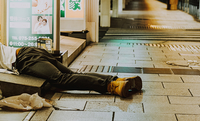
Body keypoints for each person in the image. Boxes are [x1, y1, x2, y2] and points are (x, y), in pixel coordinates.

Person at [0, 43, 142, 98]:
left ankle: (111, 86)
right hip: (29, 51)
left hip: (24, 60)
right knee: (71, 75)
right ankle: (117, 80)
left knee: (61, 80)